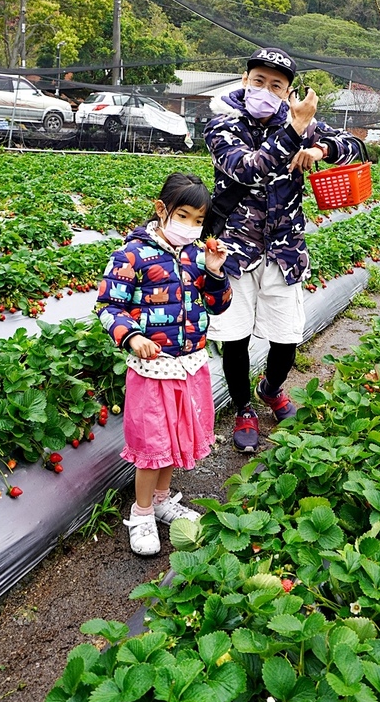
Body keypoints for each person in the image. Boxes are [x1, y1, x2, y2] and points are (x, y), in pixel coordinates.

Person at [204, 46, 363, 452]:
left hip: (284, 250)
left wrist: (319, 149)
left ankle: (270, 389)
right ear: (245, 82)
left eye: (276, 85)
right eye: (259, 81)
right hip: (233, 252)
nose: (266, 90)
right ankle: (243, 408)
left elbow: (357, 147)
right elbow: (247, 168)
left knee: (287, 337)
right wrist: (294, 133)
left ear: (288, 91)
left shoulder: (303, 124)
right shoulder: (222, 124)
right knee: (235, 338)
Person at [95, 172, 231, 556]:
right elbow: (109, 306)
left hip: (189, 364)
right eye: (183, 216)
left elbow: (219, 305)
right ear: (162, 209)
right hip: (153, 370)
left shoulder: (194, 255)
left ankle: (161, 499)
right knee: (152, 442)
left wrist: (215, 271)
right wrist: (132, 336)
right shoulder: (132, 255)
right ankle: (141, 515)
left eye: (198, 220)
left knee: (172, 440)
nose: (190, 227)